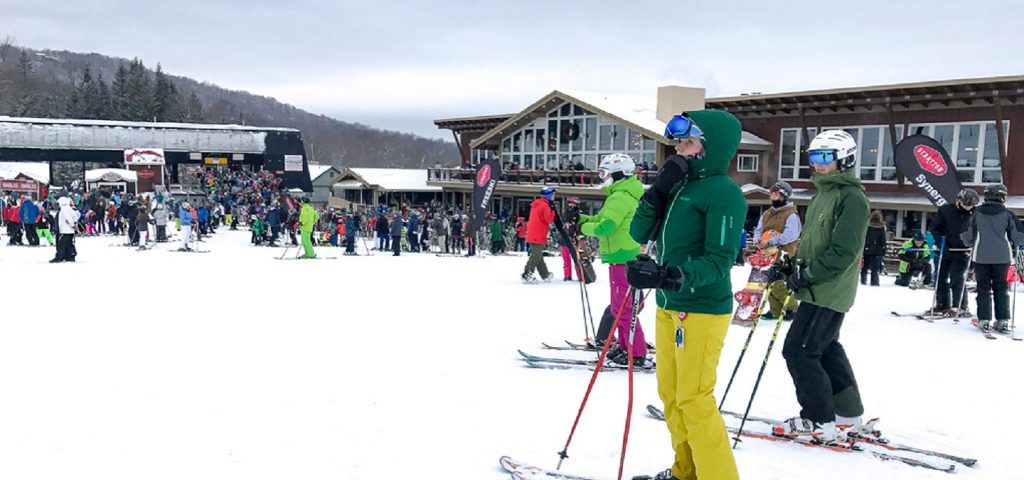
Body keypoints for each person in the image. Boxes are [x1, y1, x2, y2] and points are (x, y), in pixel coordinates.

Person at [627, 111, 745, 480]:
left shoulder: (724, 193)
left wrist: (671, 275)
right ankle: (686, 472)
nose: (679, 149)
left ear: (712, 148)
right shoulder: (679, 187)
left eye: (689, 142)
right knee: (673, 398)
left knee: (695, 400)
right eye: (678, 142)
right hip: (668, 305)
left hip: (702, 309)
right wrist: (658, 190)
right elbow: (637, 232)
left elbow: (719, 260)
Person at [773, 130, 869, 444]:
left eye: (825, 158)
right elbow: (813, 243)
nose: (818, 165)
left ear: (846, 159)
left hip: (828, 289)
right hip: (818, 285)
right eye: (813, 158)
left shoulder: (851, 198)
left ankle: (817, 419)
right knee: (824, 347)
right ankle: (847, 414)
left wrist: (808, 275)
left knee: (799, 352)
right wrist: (792, 264)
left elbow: (843, 252)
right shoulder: (822, 194)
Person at [578, 153, 645, 365]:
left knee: (624, 309)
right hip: (620, 256)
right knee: (619, 308)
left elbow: (606, 227)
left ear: (618, 174)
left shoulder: (620, 196)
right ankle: (626, 346)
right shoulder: (619, 194)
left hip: (623, 258)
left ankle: (636, 352)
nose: (601, 177)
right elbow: (600, 219)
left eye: (604, 173)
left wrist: (582, 227)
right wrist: (580, 218)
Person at [960, 184, 1024, 334]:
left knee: (983, 288)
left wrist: (970, 242)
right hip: (1003, 257)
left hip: (981, 256)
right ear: (1002, 197)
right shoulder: (1008, 215)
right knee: (1001, 288)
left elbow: (966, 234)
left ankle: (984, 320)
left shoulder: (976, 214)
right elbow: (1018, 236)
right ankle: (1002, 321)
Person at [752, 180, 801, 321]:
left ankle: (792, 308)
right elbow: (759, 229)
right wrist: (757, 240)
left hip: (783, 253)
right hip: (766, 253)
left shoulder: (791, 214)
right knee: (767, 281)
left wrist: (771, 241)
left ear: (784, 196)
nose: (773, 197)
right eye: (772, 194)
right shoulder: (767, 213)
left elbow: (791, 235)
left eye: (776, 194)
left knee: (779, 283)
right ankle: (775, 310)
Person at [928, 188, 979, 315]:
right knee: (940, 277)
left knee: (957, 277)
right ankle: (942, 304)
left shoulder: (977, 214)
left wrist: (973, 247)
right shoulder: (946, 211)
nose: (968, 208)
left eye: (971, 205)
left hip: (963, 251)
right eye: (966, 204)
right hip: (945, 249)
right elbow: (935, 229)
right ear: (958, 201)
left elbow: (980, 233)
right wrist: (940, 243)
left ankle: (960, 305)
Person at [521, 187, 556, 283]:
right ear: (548, 196)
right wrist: (552, 210)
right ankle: (527, 275)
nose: (554, 197)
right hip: (538, 234)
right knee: (536, 257)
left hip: (533, 233)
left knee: (538, 255)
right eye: (553, 195)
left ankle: (545, 275)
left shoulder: (537, 204)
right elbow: (549, 219)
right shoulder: (545, 206)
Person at [861, 211, 887, 286]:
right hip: (877, 251)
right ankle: (874, 282)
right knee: (875, 269)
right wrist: (883, 251)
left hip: (866, 250)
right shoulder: (881, 227)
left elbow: (863, 238)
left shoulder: (867, 226)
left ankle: (863, 281)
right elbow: (883, 240)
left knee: (864, 267)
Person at [51, 196, 80, 263]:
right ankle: (70, 256)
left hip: (64, 230)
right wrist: (74, 225)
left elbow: (68, 218)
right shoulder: (70, 209)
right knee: (69, 244)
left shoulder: (64, 209)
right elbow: (75, 217)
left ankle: (59, 257)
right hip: (70, 231)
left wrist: (72, 224)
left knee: (61, 244)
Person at [560, 197, 582, 281]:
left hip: (575, 238)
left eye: (572, 203)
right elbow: (563, 223)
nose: (570, 205)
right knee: (566, 259)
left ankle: (580, 275)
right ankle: (567, 275)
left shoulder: (579, 214)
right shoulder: (566, 212)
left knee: (577, 258)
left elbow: (579, 225)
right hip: (565, 238)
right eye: (569, 203)